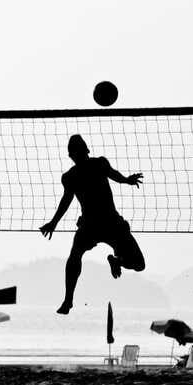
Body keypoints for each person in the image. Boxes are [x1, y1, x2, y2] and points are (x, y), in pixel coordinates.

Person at [40, 134, 146, 315]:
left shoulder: (94, 166)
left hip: (103, 223)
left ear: (83, 152)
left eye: (76, 151)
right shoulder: (74, 175)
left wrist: (127, 180)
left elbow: (115, 176)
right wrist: (53, 222)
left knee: (139, 264)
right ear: (74, 155)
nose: (76, 155)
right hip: (98, 224)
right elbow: (66, 200)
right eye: (74, 152)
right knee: (74, 257)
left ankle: (116, 261)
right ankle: (68, 300)